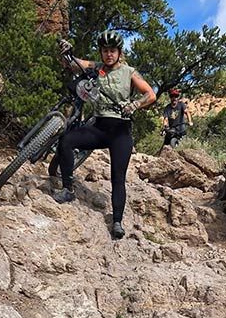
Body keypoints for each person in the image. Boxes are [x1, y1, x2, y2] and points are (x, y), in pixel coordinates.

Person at [53, 31, 156, 239]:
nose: (109, 54)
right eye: (105, 51)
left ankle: (117, 222)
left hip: (121, 131)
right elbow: (73, 63)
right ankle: (68, 189)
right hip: (99, 127)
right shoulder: (97, 68)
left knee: (118, 177)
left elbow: (151, 94)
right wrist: (65, 53)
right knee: (66, 140)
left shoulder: (129, 72)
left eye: (112, 51)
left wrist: (135, 105)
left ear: (119, 52)